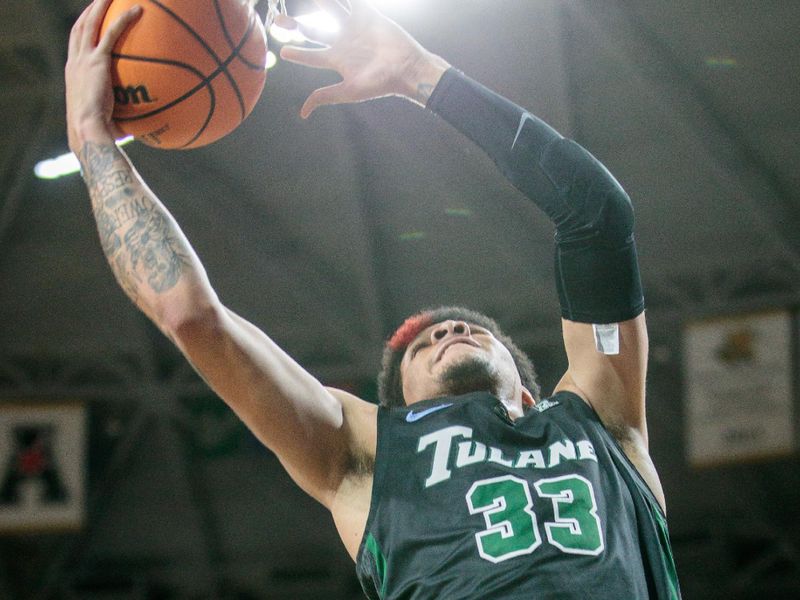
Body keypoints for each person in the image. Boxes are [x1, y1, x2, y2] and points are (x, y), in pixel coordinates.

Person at [65, 0, 681, 597]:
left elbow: (597, 216)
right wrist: (92, 139)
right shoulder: (365, 449)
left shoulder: (601, 416)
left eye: (467, 330)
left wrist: (421, 75)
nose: (443, 333)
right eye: (422, 343)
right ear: (403, 403)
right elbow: (193, 318)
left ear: (528, 391)